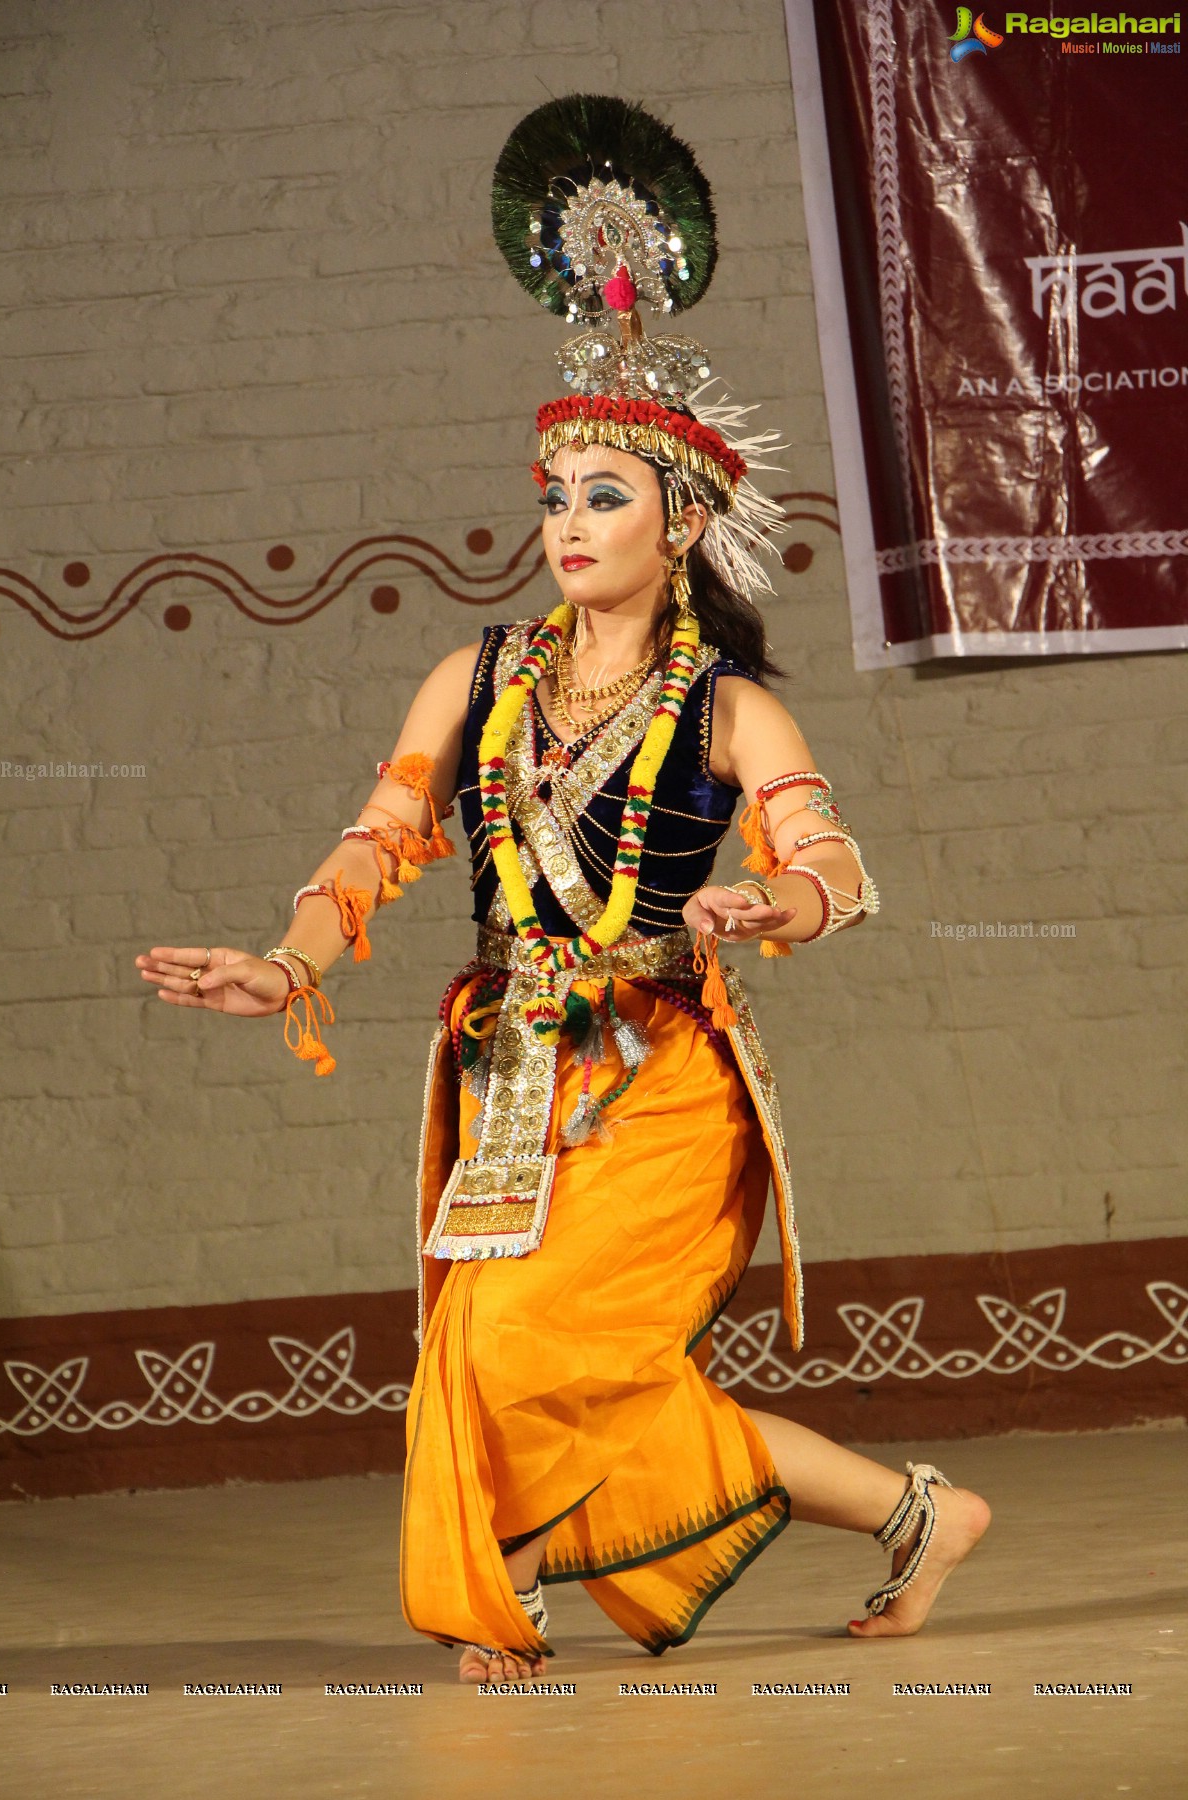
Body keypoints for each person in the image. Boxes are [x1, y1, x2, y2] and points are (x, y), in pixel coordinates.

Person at [136, 96, 989, 1686]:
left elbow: (832, 866)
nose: (570, 521)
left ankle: (520, 1568)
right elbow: (379, 840)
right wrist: (287, 957)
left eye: (606, 492)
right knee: (478, 1346)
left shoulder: (734, 707)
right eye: (555, 493)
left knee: (547, 1343)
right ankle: (913, 1514)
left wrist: (769, 910)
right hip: (510, 1069)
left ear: (682, 523)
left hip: (668, 1081)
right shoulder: (476, 675)